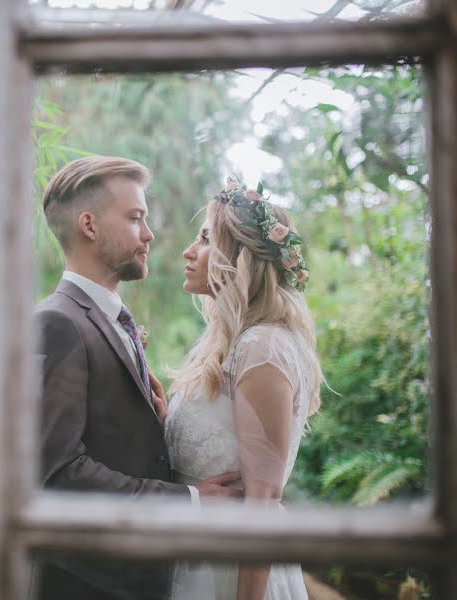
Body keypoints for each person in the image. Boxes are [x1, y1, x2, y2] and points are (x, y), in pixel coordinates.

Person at [34, 156, 243, 600]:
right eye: (135, 218)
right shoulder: (58, 323)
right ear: (89, 225)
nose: (148, 234)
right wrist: (186, 501)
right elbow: (56, 472)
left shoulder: (110, 320)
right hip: (88, 584)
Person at [165, 179, 323, 600]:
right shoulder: (232, 344)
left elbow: (264, 501)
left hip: (231, 572)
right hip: (195, 555)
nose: (188, 251)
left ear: (238, 257)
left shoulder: (263, 346)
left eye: (203, 240)